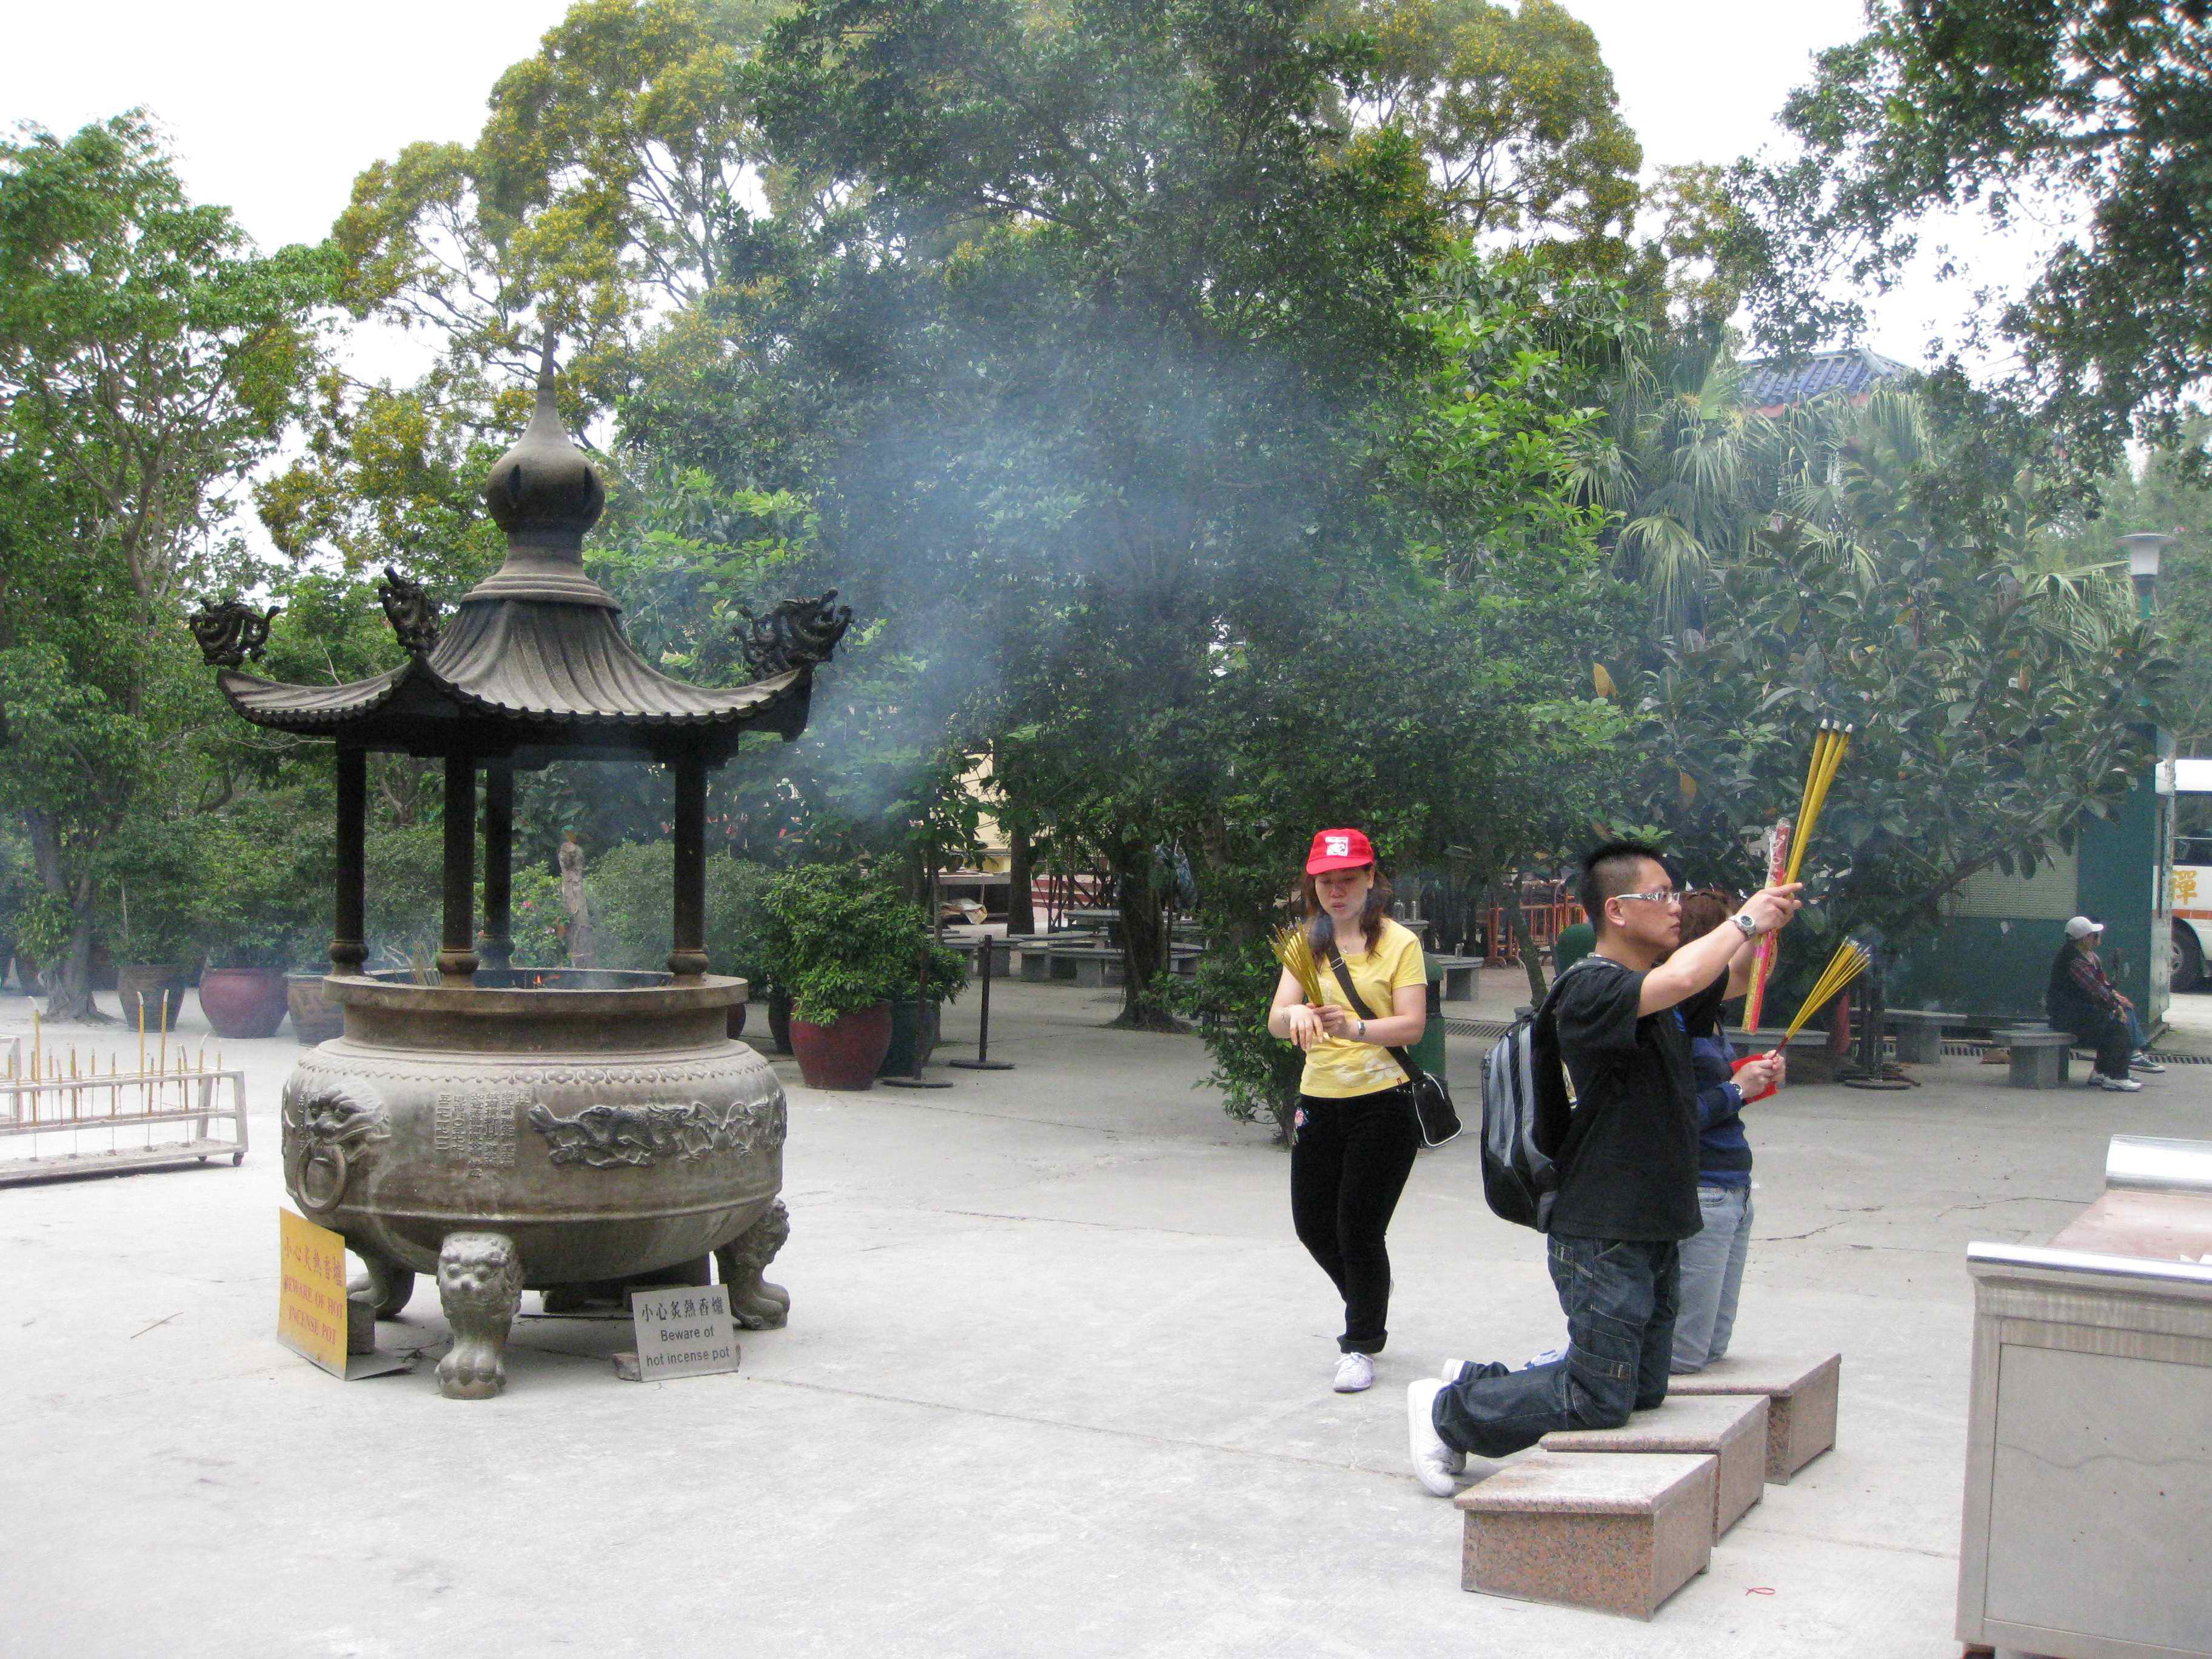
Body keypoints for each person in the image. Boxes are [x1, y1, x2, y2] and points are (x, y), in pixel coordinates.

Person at [1407, 840, 1801, 1494]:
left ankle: (1478, 1383)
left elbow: (1731, 978)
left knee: (1641, 1387)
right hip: (1602, 1224)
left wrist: (1768, 921)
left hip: (1653, 1220)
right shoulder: (1591, 987)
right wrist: (1745, 918)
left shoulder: (1657, 988)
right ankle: (1448, 1413)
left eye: (1677, 894)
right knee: (1598, 1396)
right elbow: (1682, 979)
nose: (1676, 908)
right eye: (1662, 895)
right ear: (1616, 910)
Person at [1267, 828, 1429, 1395]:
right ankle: (1369, 1295)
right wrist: (1296, 1017)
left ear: (1370, 879)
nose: (1336, 892)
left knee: (1359, 1229)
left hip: (1383, 1101)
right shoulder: (1303, 943)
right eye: (1326, 882)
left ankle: (1360, 1342)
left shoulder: (1400, 944)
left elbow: (1412, 1025)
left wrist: (1354, 1027)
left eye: (1347, 880)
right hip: (1319, 1099)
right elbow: (1276, 1019)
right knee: (1313, 1226)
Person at [1669, 890, 1785, 1374]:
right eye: (1742, 933)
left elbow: (1709, 1092)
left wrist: (1749, 1081)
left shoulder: (1708, 1012)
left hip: (1733, 1187)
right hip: (1703, 1187)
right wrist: (1737, 1089)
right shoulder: (1670, 1016)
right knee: (1682, 1355)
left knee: (1711, 1347)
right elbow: (1673, 1117)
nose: (1756, 950)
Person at [2046, 917, 2146, 1091]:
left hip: (2080, 1011)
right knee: (2116, 1028)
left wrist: (2117, 1000)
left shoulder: (2089, 957)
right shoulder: (2075, 961)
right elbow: (2095, 987)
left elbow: (2103, 986)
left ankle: (2101, 1072)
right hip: (2067, 1016)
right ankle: (2116, 1077)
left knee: (2112, 1022)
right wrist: (2116, 1006)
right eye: (2094, 935)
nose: (2098, 937)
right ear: (2086, 938)